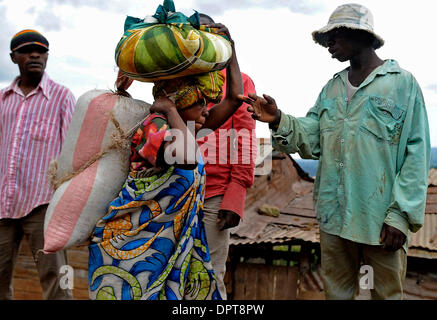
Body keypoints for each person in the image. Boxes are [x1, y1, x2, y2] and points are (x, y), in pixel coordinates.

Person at [238, 4, 430, 300]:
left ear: (360, 35)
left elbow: (415, 155)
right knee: (337, 294)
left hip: (379, 222)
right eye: (327, 38)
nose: (329, 44)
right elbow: (313, 138)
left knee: (382, 295)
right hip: (334, 218)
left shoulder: (402, 84)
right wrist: (279, 120)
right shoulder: (332, 89)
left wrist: (400, 217)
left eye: (335, 35)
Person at [88, 22, 243, 300]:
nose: (207, 110)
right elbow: (185, 158)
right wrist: (170, 110)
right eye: (200, 104)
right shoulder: (156, 125)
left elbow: (233, 99)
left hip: (172, 243)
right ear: (179, 101)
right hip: (138, 242)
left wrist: (232, 49)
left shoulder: (188, 128)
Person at [0, 29, 75, 300]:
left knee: (57, 278)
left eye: (41, 51)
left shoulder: (61, 96)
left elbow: (71, 153)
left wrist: (67, 201)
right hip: (3, 203)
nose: (35, 55)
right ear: (13, 57)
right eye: (27, 50)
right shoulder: (2, 99)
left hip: (43, 202)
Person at [196, 13, 257, 299]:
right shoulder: (179, 82)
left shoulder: (239, 82)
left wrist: (235, 195)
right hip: (176, 192)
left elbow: (245, 140)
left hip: (215, 194)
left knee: (208, 274)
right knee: (172, 270)